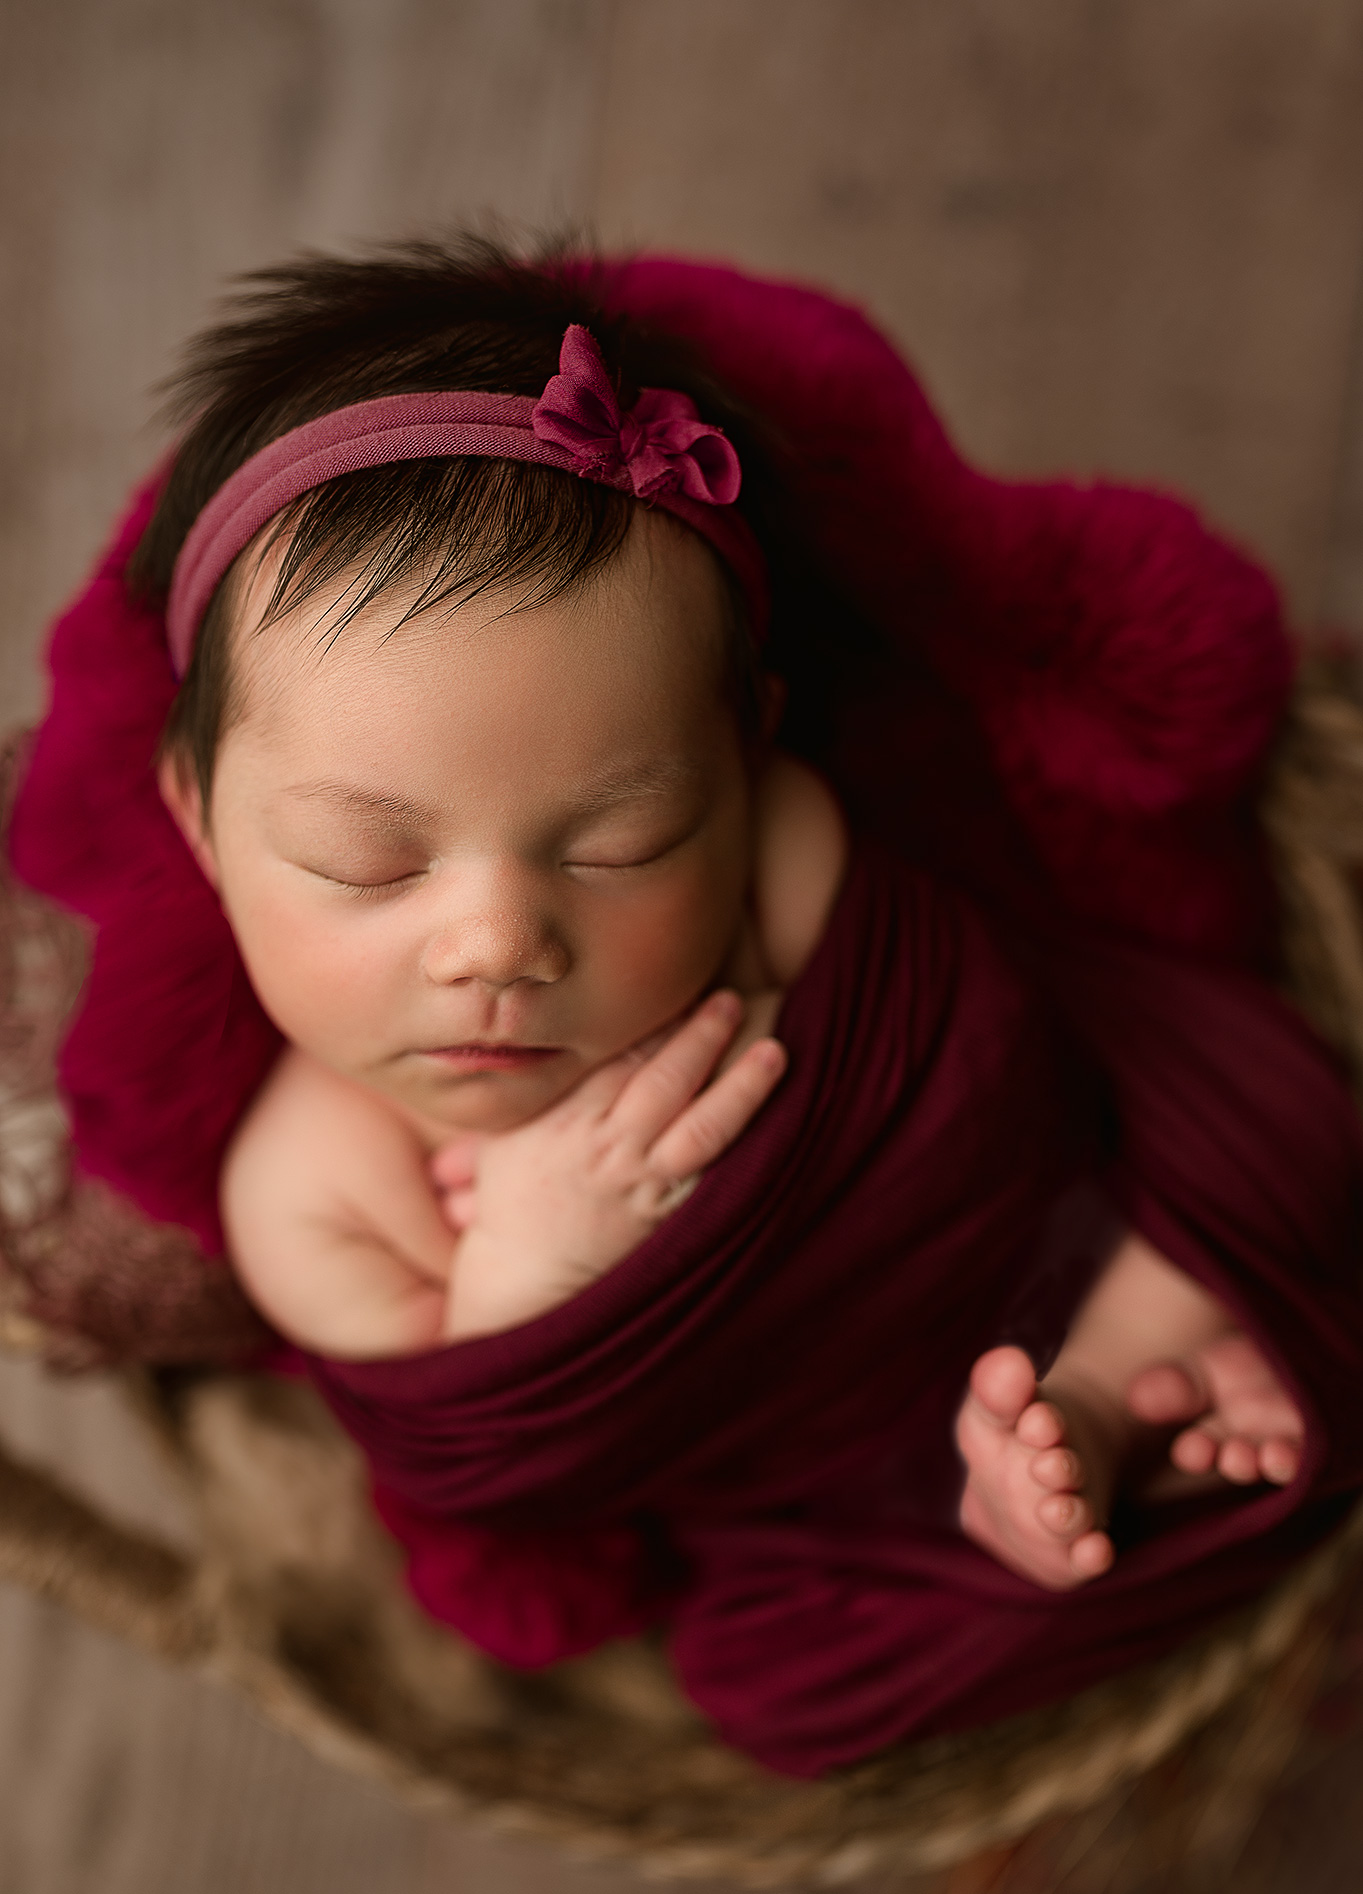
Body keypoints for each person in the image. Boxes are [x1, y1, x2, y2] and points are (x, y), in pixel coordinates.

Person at [10, 240, 1362, 1775]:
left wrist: (810, 1049)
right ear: (197, 820)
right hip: (818, 1471)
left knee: (1264, 1108)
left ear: (743, 761)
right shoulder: (306, 1181)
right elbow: (480, 1460)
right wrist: (530, 1271)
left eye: (619, 843)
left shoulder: (780, 842)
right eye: (366, 863)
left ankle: (1123, 1352)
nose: (500, 942)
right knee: (776, 1690)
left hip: (1039, 1216)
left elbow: (978, 1035)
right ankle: (1063, 1453)